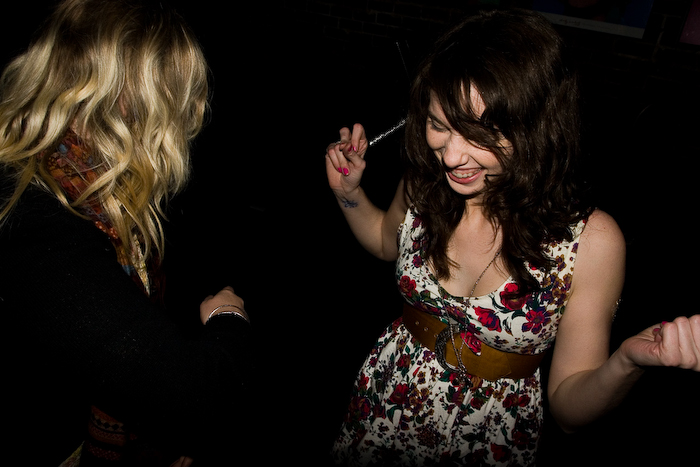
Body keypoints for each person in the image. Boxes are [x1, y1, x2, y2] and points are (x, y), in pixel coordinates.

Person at [324, 8, 700, 466]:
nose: (451, 155)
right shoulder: (426, 180)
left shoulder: (591, 242)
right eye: (439, 125)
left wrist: (628, 361)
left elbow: (569, 412)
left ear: (535, 126)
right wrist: (350, 194)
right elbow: (386, 241)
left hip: (485, 442)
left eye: (479, 133)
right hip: (383, 407)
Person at [0, 0, 254, 465]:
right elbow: (199, 404)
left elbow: (132, 343)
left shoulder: (78, 182)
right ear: (126, 104)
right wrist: (227, 319)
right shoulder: (37, 230)